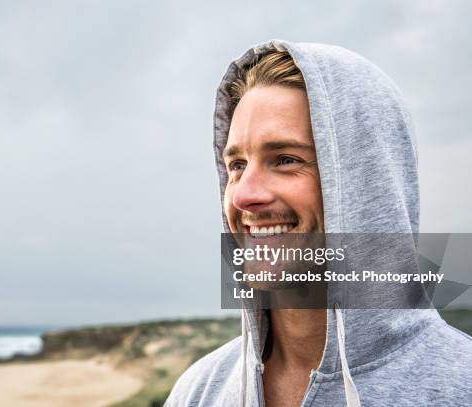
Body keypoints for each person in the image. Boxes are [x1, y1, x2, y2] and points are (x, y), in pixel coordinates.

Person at [165, 40, 472, 406]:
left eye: (285, 159)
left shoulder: (460, 388)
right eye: (237, 165)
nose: (243, 196)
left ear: (368, 178)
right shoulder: (199, 392)